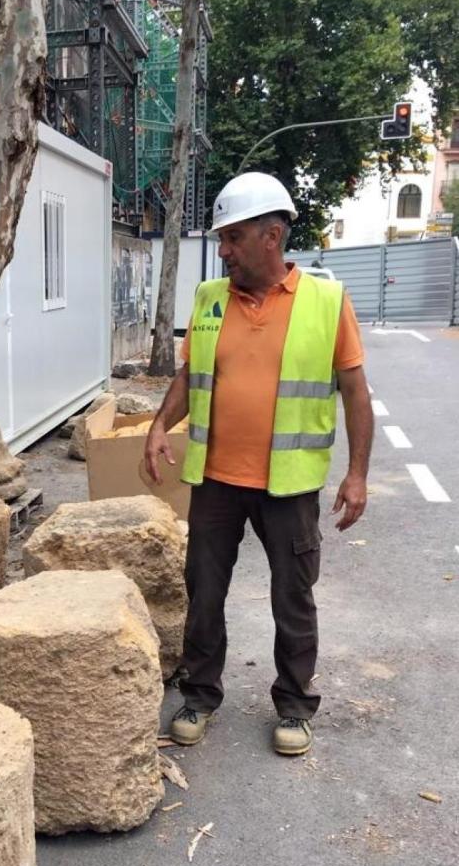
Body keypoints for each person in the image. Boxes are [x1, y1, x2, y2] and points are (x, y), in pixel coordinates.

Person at [144, 172, 373, 757]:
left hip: (288, 488)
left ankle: (294, 707)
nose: (222, 251)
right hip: (216, 481)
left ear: (271, 237)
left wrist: (357, 474)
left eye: (233, 238)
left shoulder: (326, 301)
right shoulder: (209, 299)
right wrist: (155, 427)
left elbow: (355, 392)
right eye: (221, 239)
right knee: (204, 593)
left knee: (292, 598)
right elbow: (190, 377)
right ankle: (199, 695)